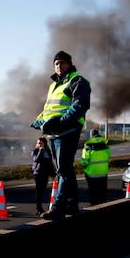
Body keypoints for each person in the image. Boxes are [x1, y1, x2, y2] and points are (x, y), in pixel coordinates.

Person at [31, 50, 91, 220]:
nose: (59, 66)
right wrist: (38, 122)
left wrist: (62, 121)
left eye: (62, 63)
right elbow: (47, 110)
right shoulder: (53, 85)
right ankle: (72, 205)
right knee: (64, 170)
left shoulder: (78, 81)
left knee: (63, 169)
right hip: (54, 133)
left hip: (68, 131)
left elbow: (80, 105)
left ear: (69, 64)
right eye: (56, 63)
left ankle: (58, 207)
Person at [80, 129, 111, 206]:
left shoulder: (87, 147)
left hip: (91, 174)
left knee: (93, 193)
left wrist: (84, 165)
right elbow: (109, 160)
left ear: (91, 136)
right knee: (102, 192)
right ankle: (103, 205)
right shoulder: (106, 146)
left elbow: (84, 162)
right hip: (103, 173)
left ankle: (94, 206)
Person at [31, 137, 55, 215]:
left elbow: (50, 163)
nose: (39, 145)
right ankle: (38, 208)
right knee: (39, 191)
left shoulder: (47, 151)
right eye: (38, 143)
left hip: (45, 173)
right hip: (38, 173)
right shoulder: (35, 151)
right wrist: (41, 150)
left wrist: (53, 174)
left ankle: (40, 207)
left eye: (41, 143)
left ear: (45, 144)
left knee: (43, 191)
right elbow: (36, 160)